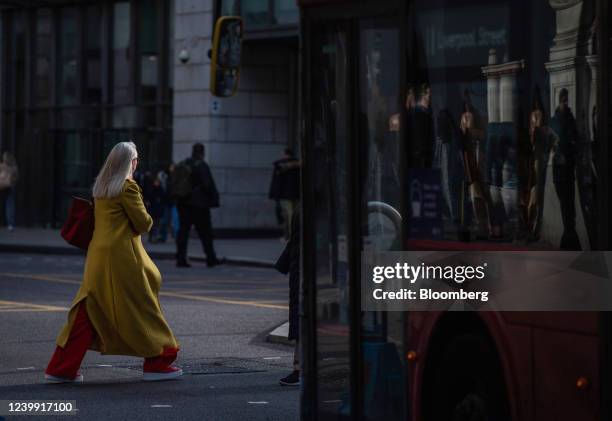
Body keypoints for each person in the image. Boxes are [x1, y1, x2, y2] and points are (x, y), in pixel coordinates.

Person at [44, 141, 182, 383]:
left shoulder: (101, 186)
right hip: (123, 257)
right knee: (144, 306)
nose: (137, 163)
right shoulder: (127, 188)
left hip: (98, 255)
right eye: (136, 159)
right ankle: (158, 361)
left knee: (89, 308)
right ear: (130, 162)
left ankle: (61, 368)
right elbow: (144, 224)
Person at [173, 143, 223, 268]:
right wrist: (213, 199)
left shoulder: (184, 164)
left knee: (183, 231)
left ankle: (181, 258)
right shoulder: (202, 166)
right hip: (199, 205)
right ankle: (211, 258)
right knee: (205, 233)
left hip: (183, 203)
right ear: (202, 153)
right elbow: (207, 185)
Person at [550, 88, 580, 250]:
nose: (565, 102)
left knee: (569, 206)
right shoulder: (553, 121)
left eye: (566, 99)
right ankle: (569, 237)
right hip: (558, 170)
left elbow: (575, 141)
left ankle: (569, 238)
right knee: (565, 204)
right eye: (563, 99)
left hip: (568, 168)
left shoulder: (570, 120)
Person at [275, 206, 300, 386]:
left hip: (305, 267)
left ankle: (299, 369)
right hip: (301, 266)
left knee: (303, 319)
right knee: (302, 319)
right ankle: (299, 368)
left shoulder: (305, 204)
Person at [268, 148, 300, 240]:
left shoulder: (280, 165)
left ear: (285, 154)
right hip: (296, 194)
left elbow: (276, 183)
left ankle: (289, 235)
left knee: (288, 215)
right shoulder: (298, 165)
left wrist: (275, 195)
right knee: (293, 215)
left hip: (285, 195)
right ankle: (292, 235)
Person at [0, 151, 19, 231]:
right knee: (10, 205)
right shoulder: (14, 167)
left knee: (8, 204)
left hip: (2, 185)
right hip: (10, 186)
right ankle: (10, 224)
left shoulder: (1, 166)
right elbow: (16, 177)